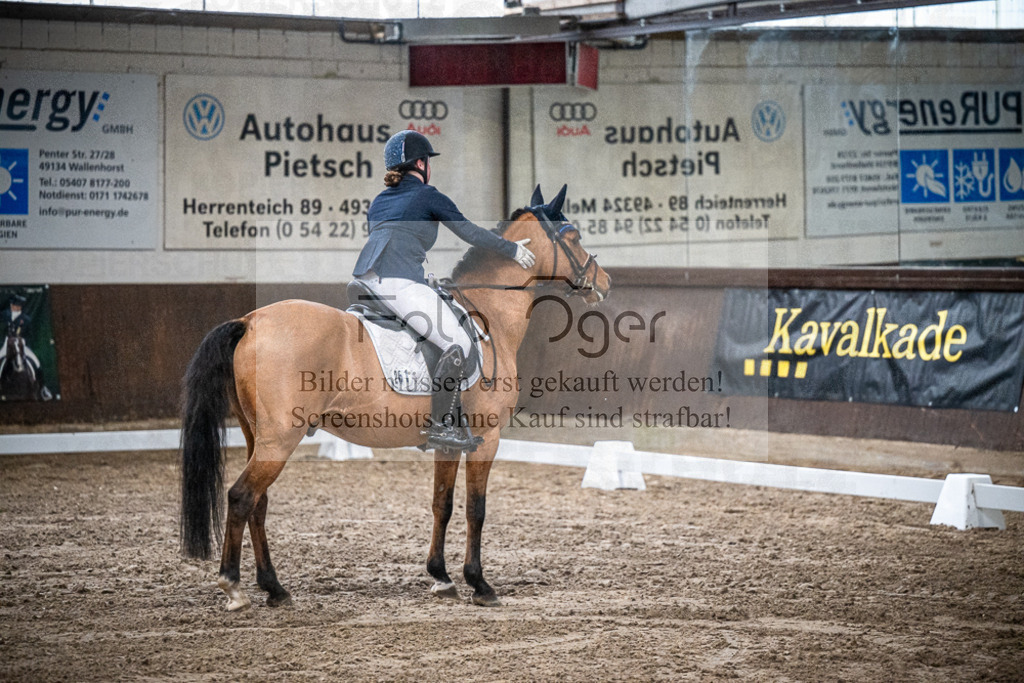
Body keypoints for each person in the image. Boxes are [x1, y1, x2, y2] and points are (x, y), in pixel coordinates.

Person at [353, 130, 535, 452]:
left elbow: (396, 242)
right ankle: (442, 425)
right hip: (400, 283)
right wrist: (511, 250)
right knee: (459, 343)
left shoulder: (379, 202)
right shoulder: (428, 195)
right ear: (421, 164)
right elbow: (468, 231)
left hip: (367, 283)